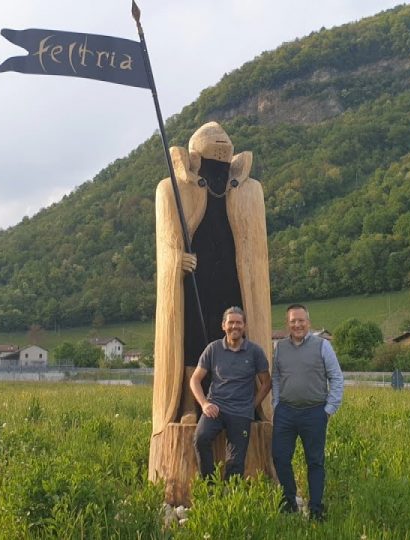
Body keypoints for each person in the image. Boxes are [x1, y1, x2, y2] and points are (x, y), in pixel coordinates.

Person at [149, 122, 273, 480]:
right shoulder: (170, 189)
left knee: (235, 340)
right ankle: (190, 404)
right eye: (211, 165)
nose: (217, 174)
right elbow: (166, 240)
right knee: (192, 334)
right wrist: (176, 260)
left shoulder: (249, 192)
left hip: (233, 281)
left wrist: (248, 271)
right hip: (194, 279)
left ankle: (243, 405)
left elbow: (255, 245)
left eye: (223, 165)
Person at [272, 303, 344, 520]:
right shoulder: (280, 347)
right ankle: (289, 503)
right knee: (280, 457)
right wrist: (276, 403)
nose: (297, 324)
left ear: (308, 322)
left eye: (301, 320)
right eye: (293, 321)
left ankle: (315, 509)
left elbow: (337, 378)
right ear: (288, 324)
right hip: (285, 412)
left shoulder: (322, 346)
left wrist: (329, 410)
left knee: (314, 461)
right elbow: (276, 377)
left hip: (315, 412)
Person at [189, 306, 271, 481]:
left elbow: (266, 383)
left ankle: (230, 496)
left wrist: (252, 405)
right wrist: (205, 404)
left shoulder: (255, 351)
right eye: (231, 323)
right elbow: (195, 380)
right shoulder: (213, 349)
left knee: (235, 460)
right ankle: (210, 486)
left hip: (241, 412)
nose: (235, 326)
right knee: (200, 438)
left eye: (239, 323)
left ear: (244, 326)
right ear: (223, 326)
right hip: (215, 408)